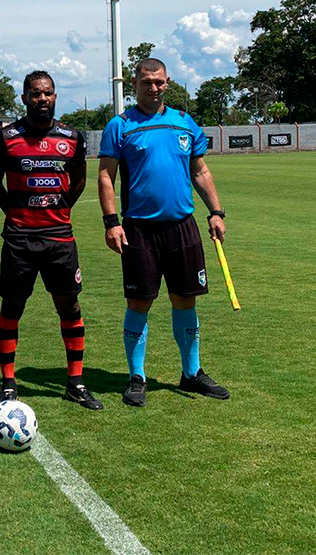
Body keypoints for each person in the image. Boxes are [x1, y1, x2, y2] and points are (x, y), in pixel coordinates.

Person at [98, 57, 231, 407]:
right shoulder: (120, 126)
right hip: (139, 229)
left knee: (185, 299)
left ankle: (191, 373)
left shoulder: (184, 122)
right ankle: (137, 377)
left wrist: (216, 212)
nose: (153, 88)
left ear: (167, 82)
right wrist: (111, 222)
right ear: (134, 85)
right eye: (146, 82)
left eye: (159, 82)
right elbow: (106, 176)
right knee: (139, 301)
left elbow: (200, 171)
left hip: (182, 226)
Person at [0, 70, 102, 410]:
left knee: (69, 307)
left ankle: (75, 382)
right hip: (20, 239)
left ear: (55, 96)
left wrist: (62, 207)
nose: (42, 98)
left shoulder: (72, 137)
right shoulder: (6, 137)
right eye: (35, 93)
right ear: (24, 98)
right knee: (12, 307)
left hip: (59, 238)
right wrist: (13, 210)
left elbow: (79, 180)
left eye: (48, 93)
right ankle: (9, 384)